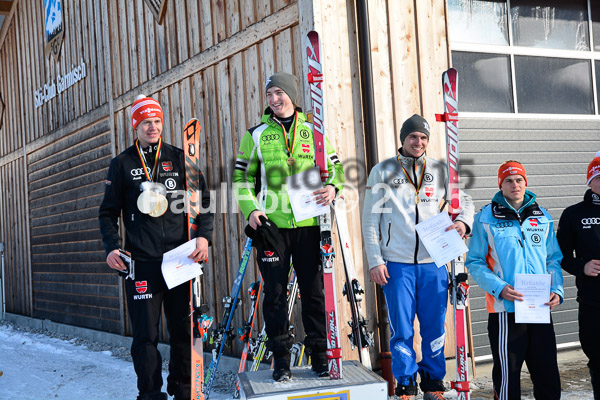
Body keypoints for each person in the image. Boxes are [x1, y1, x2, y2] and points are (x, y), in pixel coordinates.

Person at [98, 95, 214, 400]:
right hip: (142, 262)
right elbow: (108, 212)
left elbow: (204, 204)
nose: (153, 127)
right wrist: (112, 247)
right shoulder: (121, 164)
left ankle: (184, 389)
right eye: (146, 122)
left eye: (157, 121)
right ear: (135, 125)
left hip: (180, 259)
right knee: (145, 337)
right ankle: (149, 394)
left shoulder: (179, 159)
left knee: (182, 332)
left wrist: (203, 237)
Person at [233, 72, 344, 381]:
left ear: (293, 96)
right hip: (273, 226)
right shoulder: (254, 134)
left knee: (314, 292)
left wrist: (334, 187)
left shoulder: (313, 131)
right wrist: (251, 210)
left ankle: (319, 356)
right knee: (275, 294)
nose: (274, 99)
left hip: (309, 225)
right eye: (270, 95)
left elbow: (336, 169)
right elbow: (241, 178)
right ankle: (280, 359)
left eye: (279, 93)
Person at [362, 114, 474, 400]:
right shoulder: (383, 170)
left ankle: (434, 384)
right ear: (403, 139)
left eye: (423, 138)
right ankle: (406, 384)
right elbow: (370, 218)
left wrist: (462, 222)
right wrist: (375, 259)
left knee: (434, 326)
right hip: (397, 264)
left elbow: (466, 201)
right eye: (413, 137)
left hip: (433, 262)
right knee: (402, 328)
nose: (418, 142)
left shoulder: (440, 169)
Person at [465, 160, 563, 400]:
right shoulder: (486, 217)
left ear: (525, 182)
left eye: (519, 179)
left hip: (539, 307)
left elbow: (553, 258)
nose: (514, 184)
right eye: (508, 180)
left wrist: (556, 289)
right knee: (508, 377)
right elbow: (474, 262)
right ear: (501, 184)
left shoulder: (542, 216)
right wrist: (499, 288)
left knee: (547, 373)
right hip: (505, 309)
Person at [557, 151, 600, 400]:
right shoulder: (574, 214)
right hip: (593, 303)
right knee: (597, 358)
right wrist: (582, 266)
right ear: (590, 180)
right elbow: (559, 256)